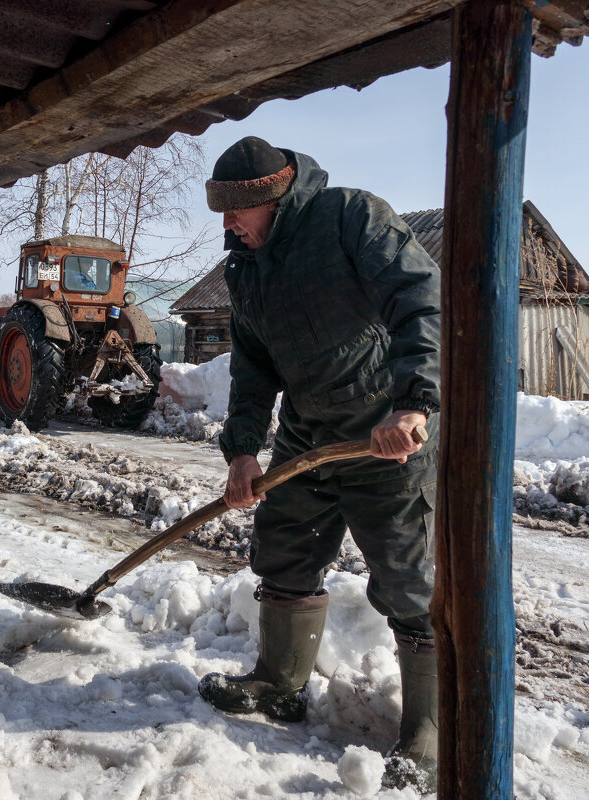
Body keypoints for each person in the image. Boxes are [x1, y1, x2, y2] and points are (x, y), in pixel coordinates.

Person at [197, 137, 441, 788]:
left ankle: (428, 729)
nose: (227, 225)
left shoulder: (349, 218)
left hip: (383, 430)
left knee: (406, 579)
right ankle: (280, 683)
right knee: (283, 551)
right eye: (220, 213)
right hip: (309, 432)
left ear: (273, 198)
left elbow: (419, 296)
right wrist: (244, 448)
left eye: (235, 212)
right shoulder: (245, 268)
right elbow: (252, 367)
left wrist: (414, 401)